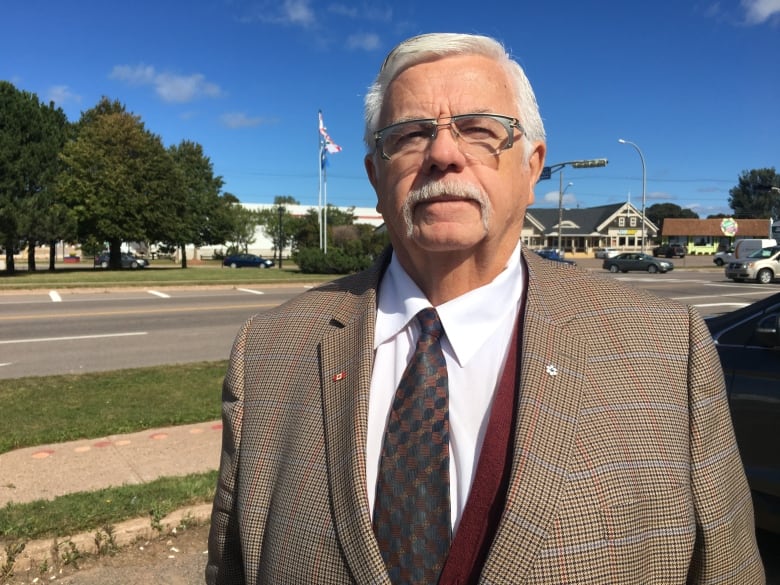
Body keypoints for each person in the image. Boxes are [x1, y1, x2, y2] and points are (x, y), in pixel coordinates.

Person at [206, 33, 764, 584]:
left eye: (478, 130)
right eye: (410, 134)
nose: (444, 154)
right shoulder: (271, 353)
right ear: (377, 176)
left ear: (531, 167)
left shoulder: (665, 351)